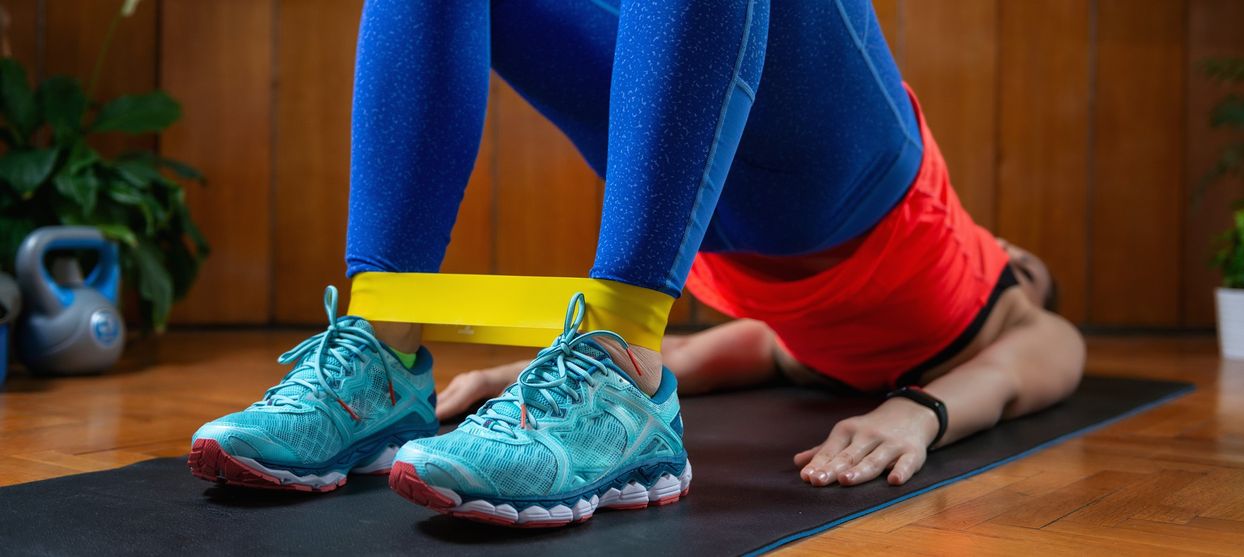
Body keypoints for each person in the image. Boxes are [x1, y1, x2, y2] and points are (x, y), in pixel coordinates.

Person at [189, 0, 1085, 528]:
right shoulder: (972, 279)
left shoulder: (1001, 316)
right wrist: (916, 405)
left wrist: (920, 412)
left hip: (776, 205)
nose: (1016, 260)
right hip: (789, 178)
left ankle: (616, 375)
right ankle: (378, 355)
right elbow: (1029, 360)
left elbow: (1033, 365)